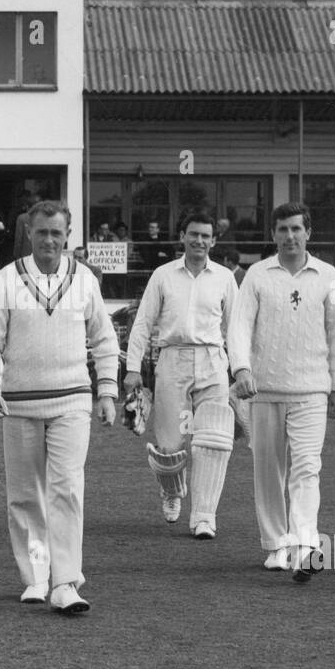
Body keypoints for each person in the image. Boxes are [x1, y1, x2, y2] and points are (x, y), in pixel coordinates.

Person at [0, 200, 119, 614]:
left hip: (73, 399)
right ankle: (37, 576)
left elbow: (105, 340)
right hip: (19, 402)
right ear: (29, 234)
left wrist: (107, 391)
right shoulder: (5, 280)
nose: (50, 240)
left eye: (57, 233)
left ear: (67, 236)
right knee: (24, 496)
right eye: (42, 232)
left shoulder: (85, 280)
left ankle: (65, 582)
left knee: (67, 490)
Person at [229, 202, 335, 582]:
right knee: (269, 470)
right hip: (264, 390)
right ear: (273, 234)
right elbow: (239, 326)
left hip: (312, 389)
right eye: (282, 229)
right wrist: (241, 369)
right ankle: (276, 545)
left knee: (307, 468)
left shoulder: (328, 275)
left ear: (308, 232)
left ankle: (306, 546)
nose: (290, 236)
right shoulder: (257, 275)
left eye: (296, 228)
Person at [125, 211, 239, 541]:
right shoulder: (163, 275)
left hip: (211, 360)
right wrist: (133, 368)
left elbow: (237, 328)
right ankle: (172, 491)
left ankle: (204, 515)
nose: (199, 241)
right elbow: (144, 323)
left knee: (212, 441)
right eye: (194, 234)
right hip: (172, 358)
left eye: (205, 236)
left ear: (214, 240)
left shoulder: (224, 278)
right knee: (170, 444)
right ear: (182, 237)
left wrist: (242, 369)